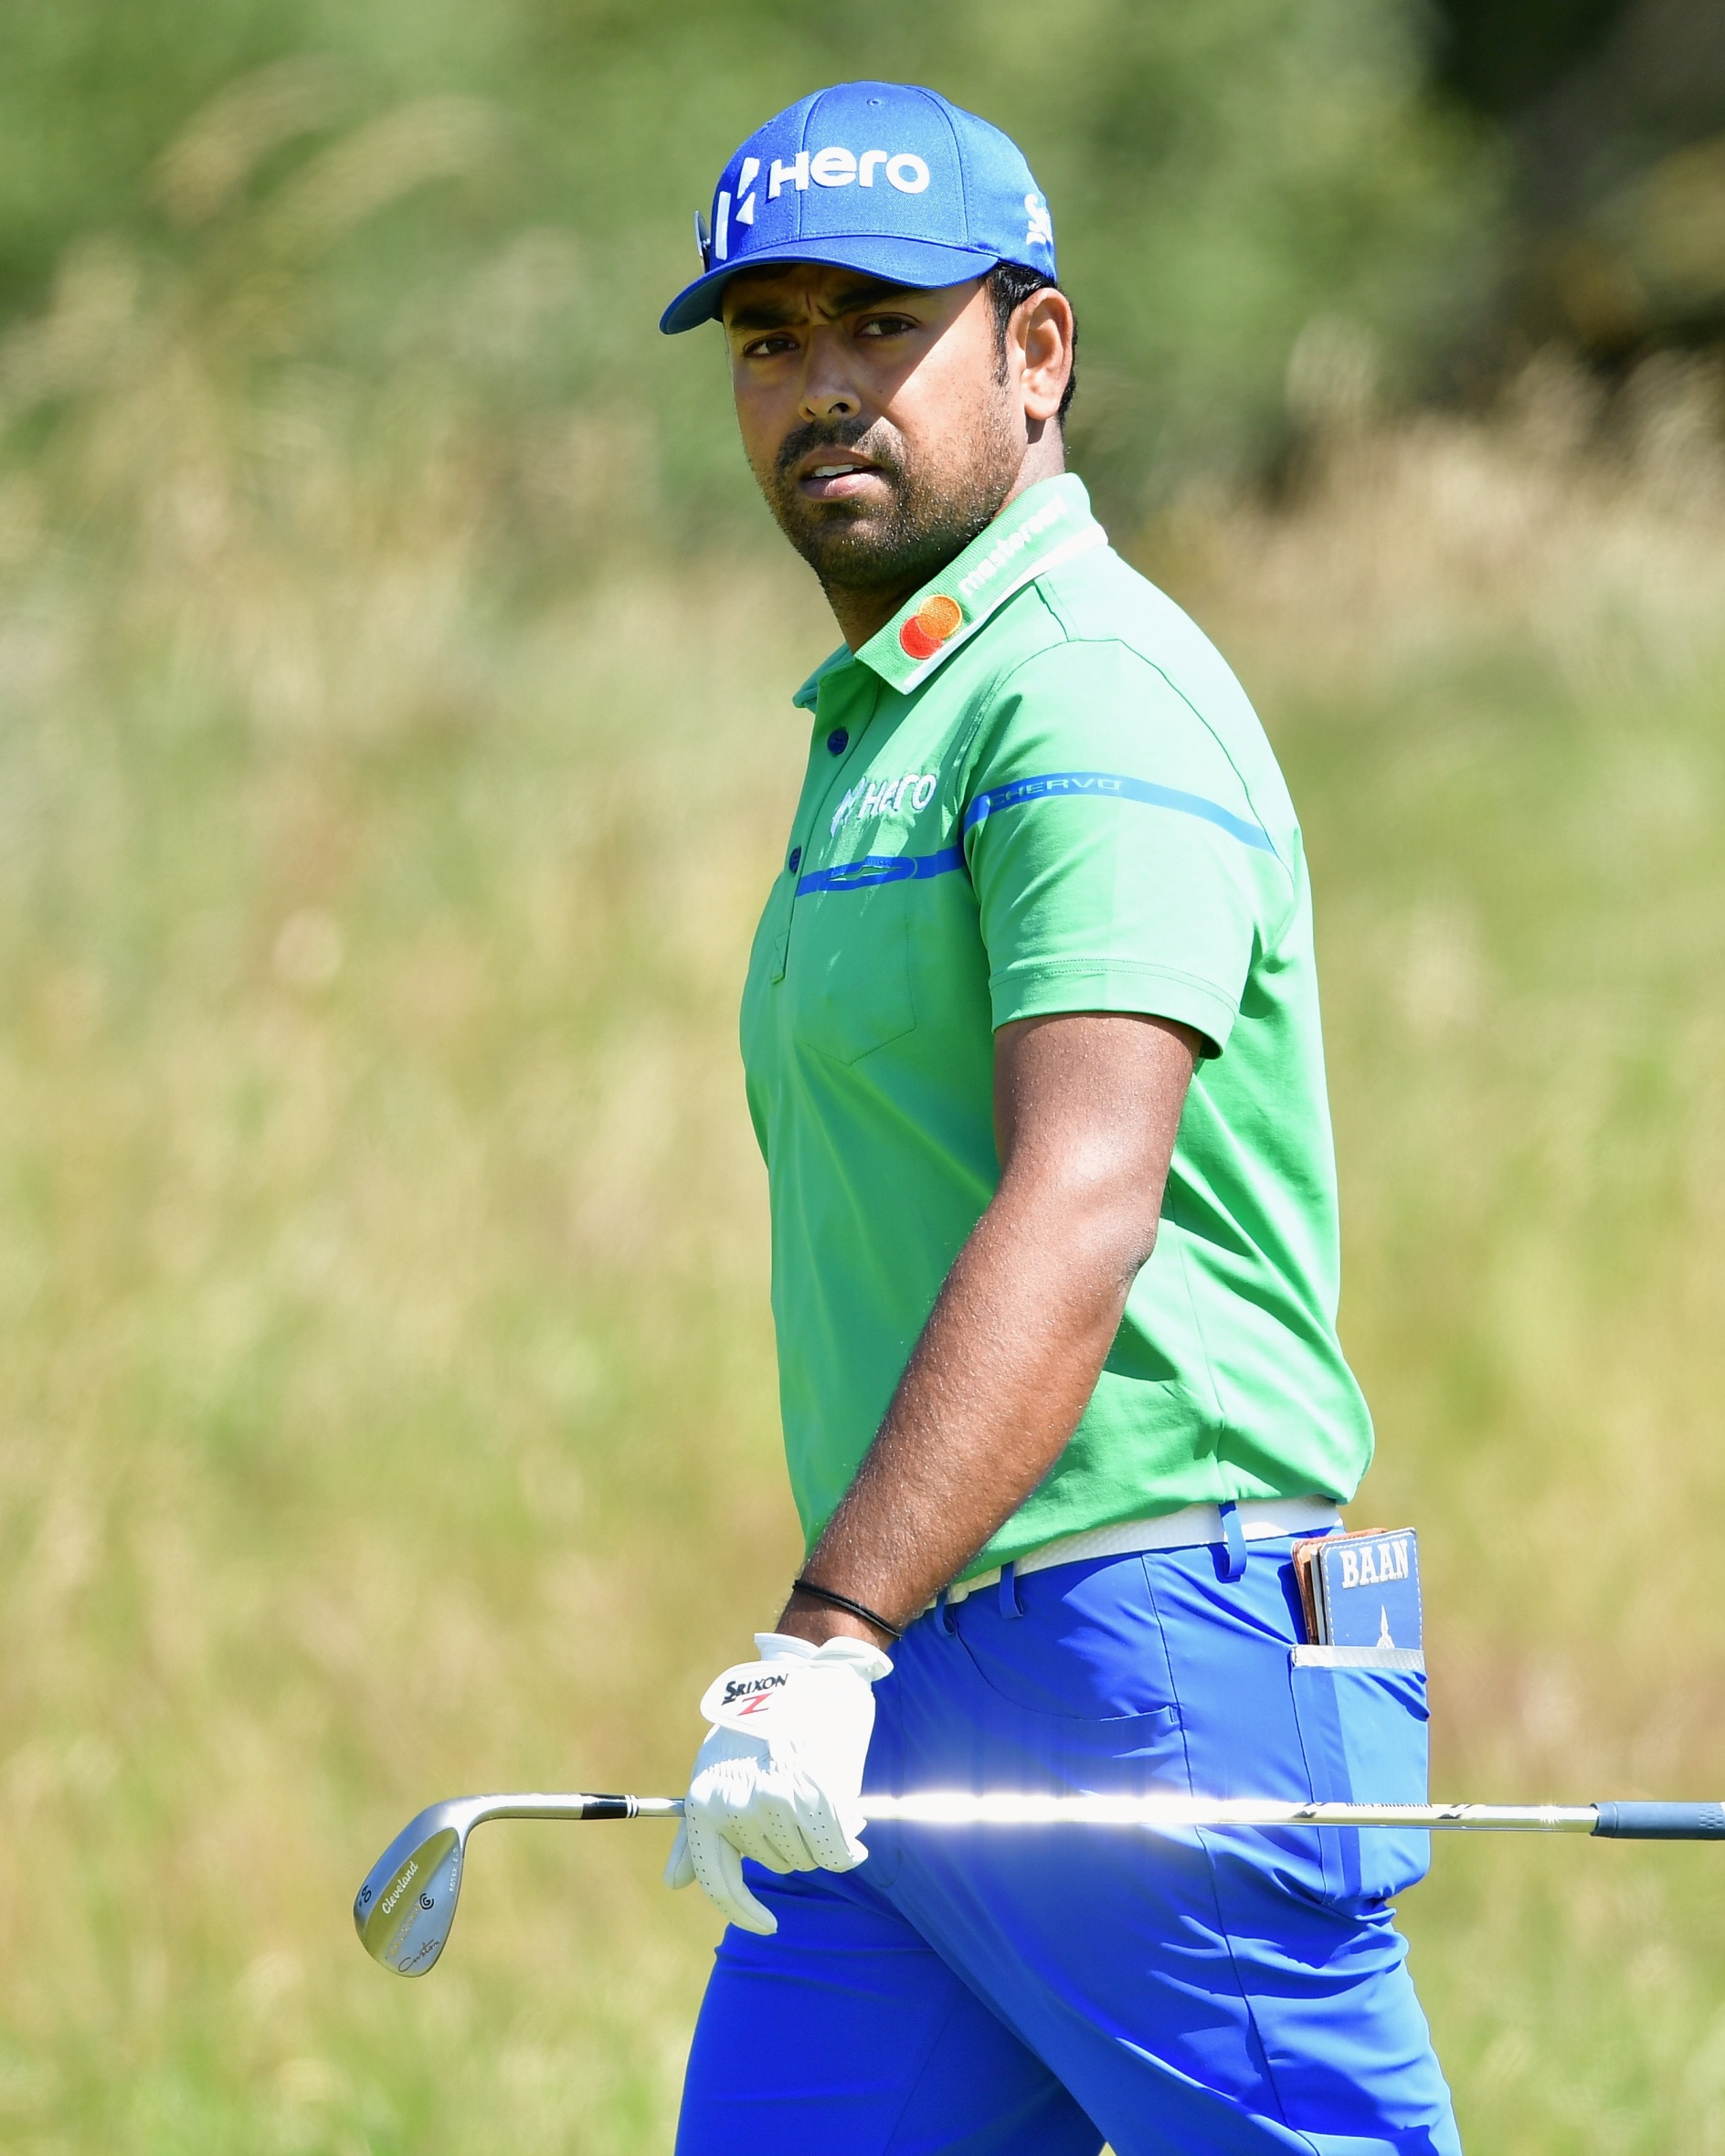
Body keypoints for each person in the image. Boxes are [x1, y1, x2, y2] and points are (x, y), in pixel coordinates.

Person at [657, 79, 1461, 2156]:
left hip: (1143, 1649)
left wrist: (822, 1639)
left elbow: (1086, 1195)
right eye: (769, 341)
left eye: (880, 325)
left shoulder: (1083, 684)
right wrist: (858, 1647)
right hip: (916, 1663)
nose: (821, 389)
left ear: (1035, 352)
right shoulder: (893, 723)